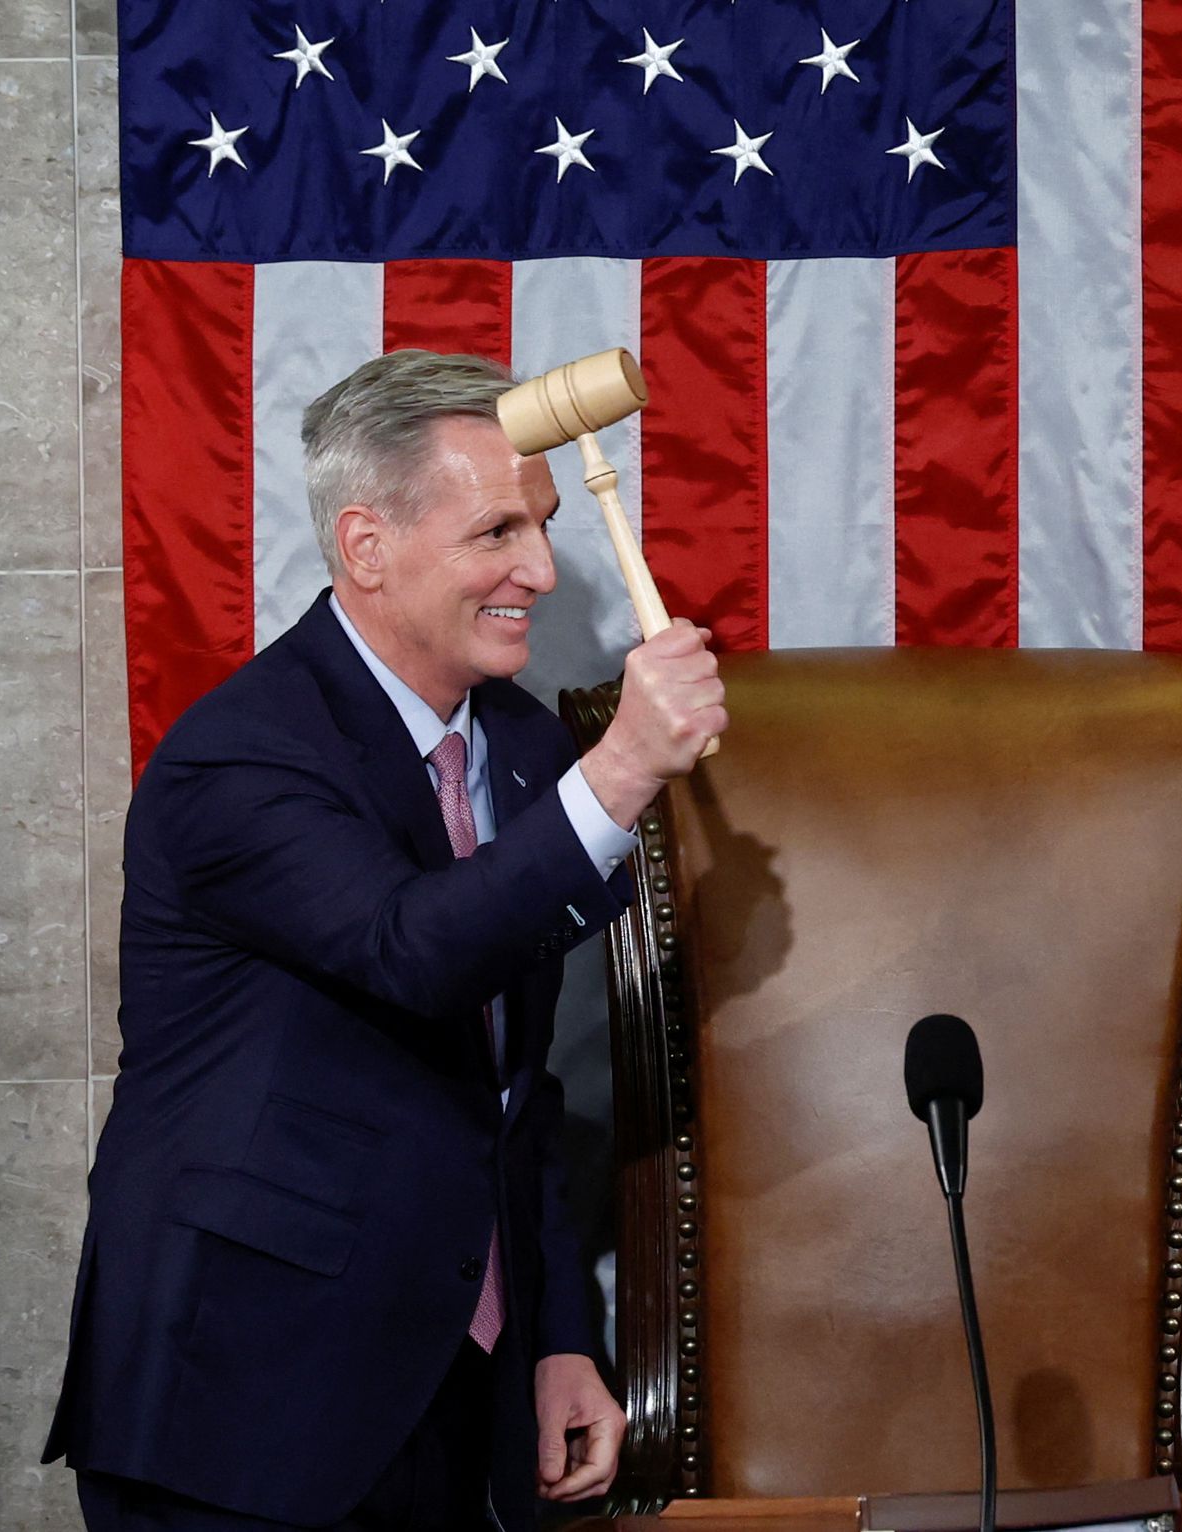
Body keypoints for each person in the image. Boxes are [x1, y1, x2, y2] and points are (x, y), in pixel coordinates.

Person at [42, 349, 728, 1531]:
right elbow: (413, 947)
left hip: (462, 1399)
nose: (542, 570)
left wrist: (559, 1336)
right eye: (497, 531)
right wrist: (622, 769)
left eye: (545, 525)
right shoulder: (238, 754)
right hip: (248, 1398)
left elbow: (513, 1086)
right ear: (365, 545)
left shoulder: (516, 745)